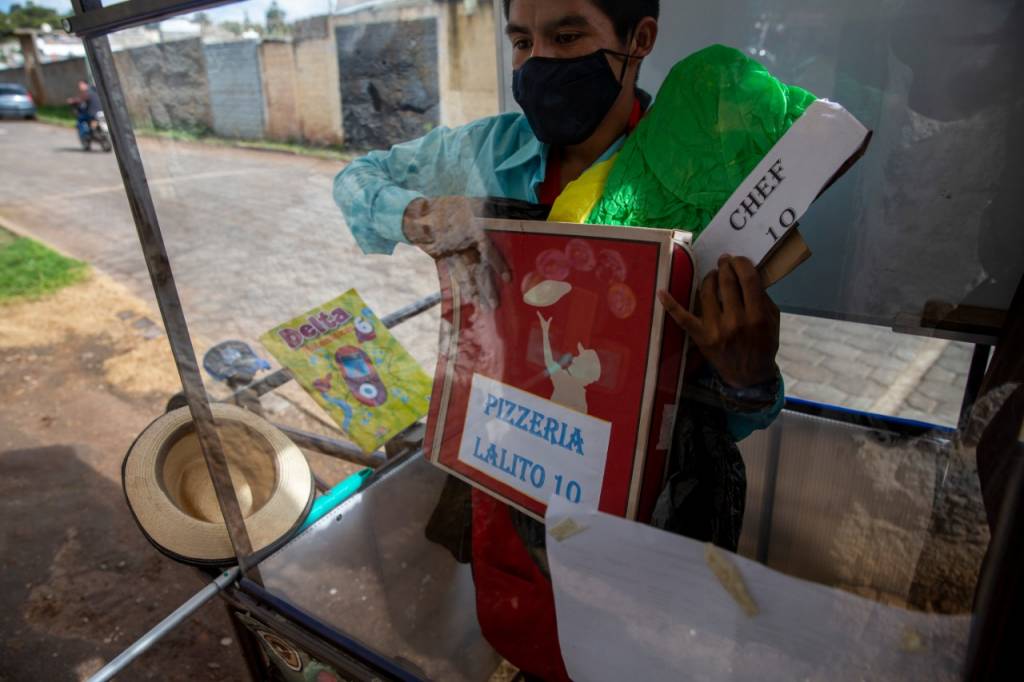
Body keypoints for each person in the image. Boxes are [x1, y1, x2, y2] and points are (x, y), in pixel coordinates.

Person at [334, 1, 783, 678]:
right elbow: (357, 179)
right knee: (525, 636)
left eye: (566, 36)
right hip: (508, 471)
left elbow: (738, 413)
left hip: (645, 515)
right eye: (521, 41)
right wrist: (422, 214)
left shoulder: (699, 173)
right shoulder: (487, 152)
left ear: (640, 40)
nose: (537, 62)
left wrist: (747, 377)